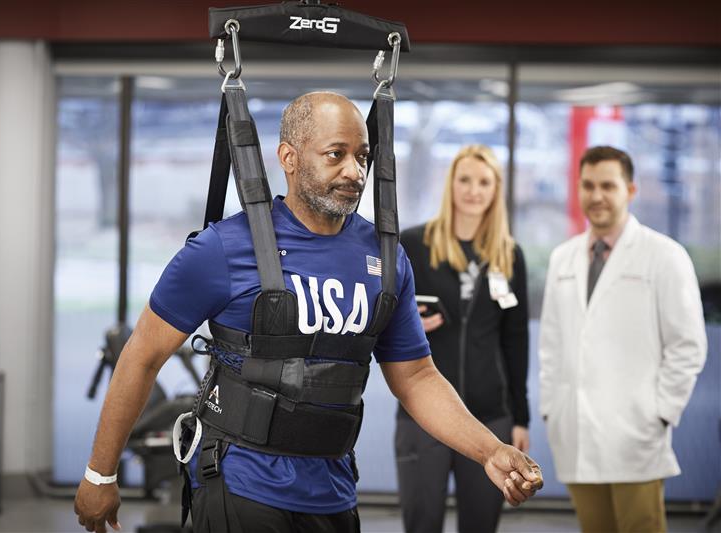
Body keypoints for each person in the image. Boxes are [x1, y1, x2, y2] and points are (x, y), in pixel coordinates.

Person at [74, 92, 543, 533]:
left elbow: (417, 377)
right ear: (289, 158)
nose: (354, 172)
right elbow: (143, 355)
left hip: (332, 491)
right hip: (241, 485)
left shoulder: (386, 260)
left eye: (362, 156)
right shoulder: (223, 249)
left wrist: (489, 450)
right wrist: (100, 474)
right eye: (335, 154)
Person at [539, 145, 707, 533]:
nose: (596, 196)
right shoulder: (563, 258)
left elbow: (688, 345)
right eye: (588, 185)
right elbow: (551, 343)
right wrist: (551, 407)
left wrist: (661, 412)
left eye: (608, 186)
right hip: (576, 429)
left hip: (636, 431)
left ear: (630, 190)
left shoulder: (664, 256)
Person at [396, 144, 530, 533]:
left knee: (481, 525)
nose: (474, 190)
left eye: (484, 182)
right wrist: (408, 324)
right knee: (421, 523)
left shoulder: (510, 256)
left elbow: (515, 341)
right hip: (425, 416)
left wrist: (520, 418)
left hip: (490, 418)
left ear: (496, 190)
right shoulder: (413, 245)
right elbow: (383, 320)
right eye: (465, 179)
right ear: (450, 184)